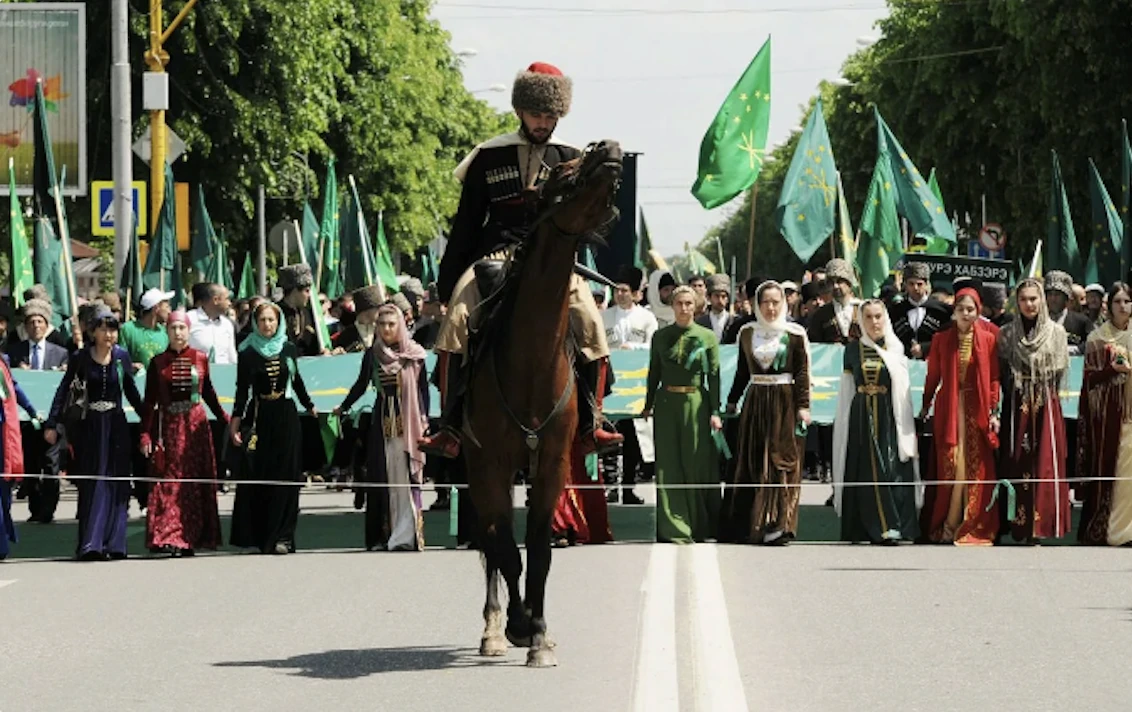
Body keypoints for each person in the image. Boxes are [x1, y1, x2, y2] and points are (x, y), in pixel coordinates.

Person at [421, 61, 621, 460]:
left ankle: (592, 423)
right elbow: (465, 224)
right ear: (520, 111)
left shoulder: (572, 158)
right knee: (457, 321)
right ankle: (450, 425)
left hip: (555, 264)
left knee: (592, 326)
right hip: (495, 256)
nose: (543, 123)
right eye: (536, 114)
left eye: (550, 115)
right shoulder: (488, 156)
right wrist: (447, 285)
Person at [44, 307, 143, 560]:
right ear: (93, 331)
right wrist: (52, 422)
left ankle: (115, 543)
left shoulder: (121, 357)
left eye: (113, 329)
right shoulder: (80, 358)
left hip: (117, 425)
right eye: (103, 329)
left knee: (117, 482)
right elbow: (64, 389)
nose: (109, 334)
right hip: (90, 426)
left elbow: (131, 391)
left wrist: (149, 422)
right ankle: (92, 543)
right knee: (93, 482)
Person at [721, 281, 812, 545]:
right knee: (751, 460)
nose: (771, 308)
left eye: (776, 302)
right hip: (755, 400)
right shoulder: (748, 333)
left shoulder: (794, 334)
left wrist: (803, 406)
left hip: (784, 402)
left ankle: (778, 524)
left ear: (784, 303)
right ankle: (750, 525)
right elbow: (741, 372)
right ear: (757, 305)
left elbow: (802, 373)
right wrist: (732, 401)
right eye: (765, 302)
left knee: (779, 461)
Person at [335, 303, 430, 551]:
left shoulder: (416, 355)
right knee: (383, 476)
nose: (386, 329)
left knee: (407, 476)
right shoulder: (373, 354)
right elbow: (361, 384)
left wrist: (425, 421)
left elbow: (423, 392)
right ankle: (384, 535)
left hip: (409, 423)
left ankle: (408, 535)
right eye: (382, 324)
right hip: (382, 422)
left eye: (391, 324)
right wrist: (343, 406)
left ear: (399, 325)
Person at [137, 310, 229, 556]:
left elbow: (208, 393)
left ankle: (192, 536)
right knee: (170, 482)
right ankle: (170, 535)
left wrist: (226, 420)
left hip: (196, 427)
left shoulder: (200, 358)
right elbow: (149, 403)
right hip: (170, 427)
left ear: (189, 331)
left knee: (194, 482)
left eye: (182, 328)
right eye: (173, 328)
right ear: (166, 331)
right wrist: (145, 434)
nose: (178, 333)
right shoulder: (157, 363)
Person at [228, 302, 317, 554]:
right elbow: (241, 391)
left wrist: (309, 405)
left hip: (286, 417)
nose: (268, 325)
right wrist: (235, 422)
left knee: (287, 477)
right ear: (256, 323)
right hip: (259, 416)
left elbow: (296, 380)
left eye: (272, 320)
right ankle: (259, 536)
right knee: (260, 475)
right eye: (263, 320)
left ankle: (284, 537)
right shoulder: (247, 353)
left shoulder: (288, 349)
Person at [832, 300, 921, 544]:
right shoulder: (852, 350)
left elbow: (902, 389)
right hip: (862, 416)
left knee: (892, 468)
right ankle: (868, 528)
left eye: (878, 316)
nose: (874, 322)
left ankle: (896, 526)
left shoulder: (896, 349)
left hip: (890, 415)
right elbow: (847, 390)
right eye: (869, 317)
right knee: (866, 468)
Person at [919, 286, 1001, 545]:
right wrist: (926, 404)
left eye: (971, 309)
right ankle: (947, 524)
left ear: (979, 312)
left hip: (977, 408)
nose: (966, 314)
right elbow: (933, 376)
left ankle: (974, 523)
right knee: (952, 464)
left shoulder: (989, 340)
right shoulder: (941, 340)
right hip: (950, 407)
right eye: (961, 309)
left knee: (975, 466)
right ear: (953, 311)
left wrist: (993, 410)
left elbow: (994, 379)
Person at [642, 286, 722, 543]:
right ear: (672, 305)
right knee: (668, 464)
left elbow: (714, 377)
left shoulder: (707, 337)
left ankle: (699, 525)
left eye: (689, 303)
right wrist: (648, 403)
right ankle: (672, 527)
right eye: (679, 303)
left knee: (695, 462)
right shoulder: (659, 336)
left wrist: (715, 410)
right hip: (666, 404)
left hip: (696, 404)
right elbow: (654, 372)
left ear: (696, 305)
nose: (684, 308)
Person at [996, 278, 1071, 544]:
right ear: (1017, 302)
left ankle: (1042, 527)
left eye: (1033, 299)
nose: (1029, 304)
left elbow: (1060, 370)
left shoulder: (1057, 333)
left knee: (1045, 461)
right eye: (1024, 299)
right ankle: (1018, 525)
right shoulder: (1006, 333)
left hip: (1046, 403)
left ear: (1041, 301)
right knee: (1017, 459)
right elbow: (1002, 370)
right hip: (1017, 405)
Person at [1078, 282, 1132, 545]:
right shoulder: (1097, 338)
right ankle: (1111, 531)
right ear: (1108, 306)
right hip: (1110, 416)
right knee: (1115, 472)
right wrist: (1112, 370)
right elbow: (1089, 381)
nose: (1123, 306)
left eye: (1127, 301)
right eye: (1117, 302)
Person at [602, 265, 658, 505]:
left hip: (636, 385)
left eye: (625, 290)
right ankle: (611, 484)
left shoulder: (646, 318)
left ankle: (628, 487)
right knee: (610, 436)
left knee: (633, 438)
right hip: (611, 386)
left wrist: (633, 348)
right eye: (617, 290)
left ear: (636, 293)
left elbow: (654, 347)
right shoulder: (604, 316)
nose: (620, 294)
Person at [0, 353, 39, 560]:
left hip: (3, 431)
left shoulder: (2, 361)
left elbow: (12, 389)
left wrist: (32, 411)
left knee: (3, 489)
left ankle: (2, 539)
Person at [890, 262, 950, 360]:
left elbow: (948, 339)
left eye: (919, 284)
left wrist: (925, 348)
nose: (915, 288)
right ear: (905, 285)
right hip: (902, 363)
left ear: (926, 284)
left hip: (933, 362)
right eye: (911, 284)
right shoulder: (895, 310)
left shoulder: (942, 311)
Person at [806, 258, 860, 345]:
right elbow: (814, 346)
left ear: (849, 283)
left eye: (839, 281)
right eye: (831, 282)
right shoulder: (820, 315)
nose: (835, 286)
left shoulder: (863, 309)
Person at [119, 288, 174, 371]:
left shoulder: (164, 333)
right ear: (156, 308)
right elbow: (118, 361)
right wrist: (130, 366)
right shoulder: (128, 330)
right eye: (167, 307)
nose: (169, 311)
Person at [275, 265, 324, 356]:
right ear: (295, 290)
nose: (309, 295)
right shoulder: (275, 313)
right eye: (307, 291)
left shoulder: (309, 313)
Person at [9, 299, 69, 371]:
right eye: (32, 322)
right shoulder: (14, 352)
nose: (36, 326)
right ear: (26, 327)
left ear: (47, 326)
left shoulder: (60, 354)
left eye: (40, 322)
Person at [188, 283, 238, 364]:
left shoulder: (227, 324)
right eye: (227, 299)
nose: (230, 303)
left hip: (223, 373)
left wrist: (232, 374)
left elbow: (231, 355)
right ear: (216, 300)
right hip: (197, 374)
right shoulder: (190, 319)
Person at [1043, 270, 1090, 355]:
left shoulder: (1081, 321)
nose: (1053, 299)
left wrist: (1072, 350)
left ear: (1066, 298)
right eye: (1050, 294)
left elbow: (1092, 343)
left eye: (1057, 295)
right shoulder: (1037, 320)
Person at [695, 274, 733, 342]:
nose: (720, 300)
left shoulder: (734, 321)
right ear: (709, 298)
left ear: (727, 299)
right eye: (717, 296)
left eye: (723, 296)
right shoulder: (700, 323)